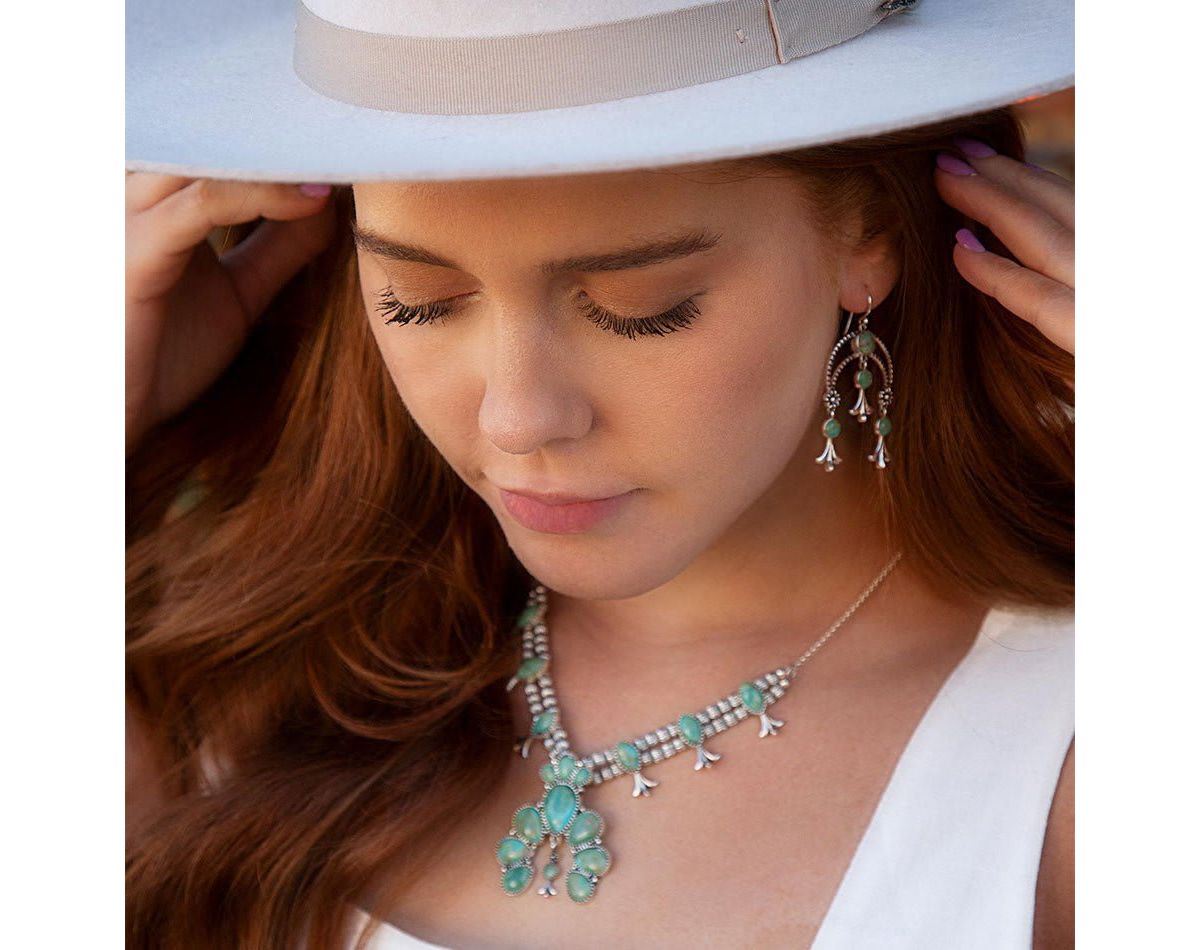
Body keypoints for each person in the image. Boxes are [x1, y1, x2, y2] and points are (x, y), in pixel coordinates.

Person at [126, 2, 1074, 947]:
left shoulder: (1071, 743)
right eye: (419, 301)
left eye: (639, 309)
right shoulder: (244, 658)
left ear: (870, 236)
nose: (519, 417)